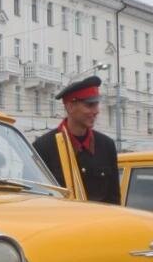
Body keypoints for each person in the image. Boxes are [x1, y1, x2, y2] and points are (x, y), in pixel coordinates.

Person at [33, 75, 120, 203]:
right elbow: (36, 198)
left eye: (97, 105)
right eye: (90, 105)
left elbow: (114, 199)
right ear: (70, 107)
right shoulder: (43, 147)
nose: (96, 111)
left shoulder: (106, 145)